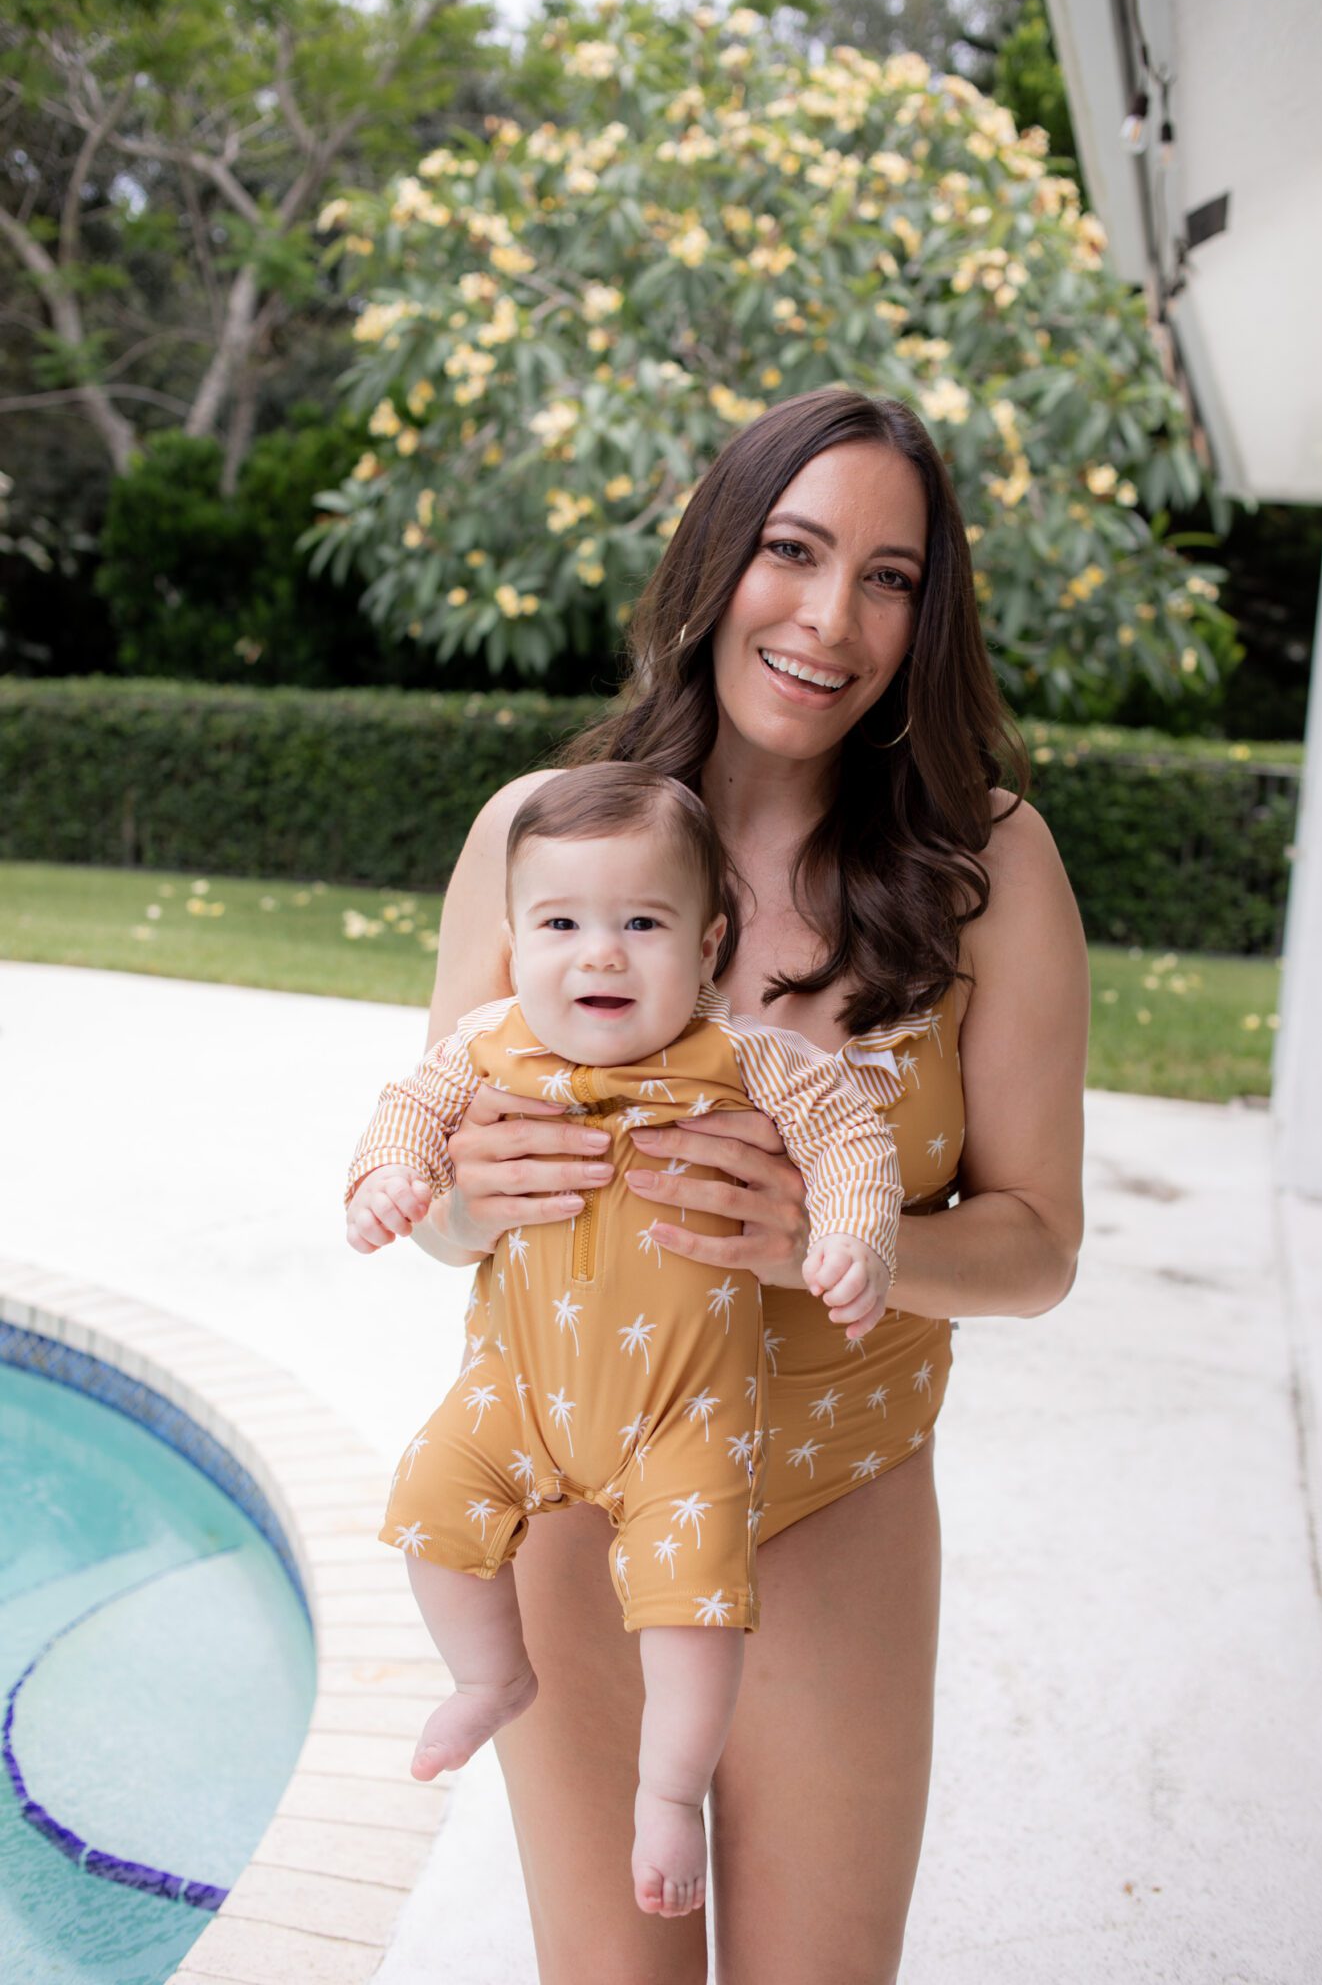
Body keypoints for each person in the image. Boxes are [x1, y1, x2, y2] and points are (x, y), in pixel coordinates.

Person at [387, 384, 1089, 1982]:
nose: (831, 618)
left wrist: (822, 1239)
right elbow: (442, 1206)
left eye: (892, 576)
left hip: (837, 1509)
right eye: (793, 549)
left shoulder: (986, 867)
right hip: (577, 1509)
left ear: (928, 615)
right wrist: (464, 1195)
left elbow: (1037, 1242)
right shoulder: (538, 838)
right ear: (717, 559)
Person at [345, 763, 912, 1917]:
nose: (599, 953)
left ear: (707, 945)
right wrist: (392, 1175)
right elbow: (407, 1107)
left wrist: (857, 1235)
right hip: (520, 1389)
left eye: (641, 923)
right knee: (428, 1501)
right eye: (561, 923)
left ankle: (667, 1789)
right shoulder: (490, 1040)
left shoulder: (745, 1053)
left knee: (693, 1611)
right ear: (514, 938)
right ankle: (491, 1672)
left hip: (685, 1417)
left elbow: (851, 1136)